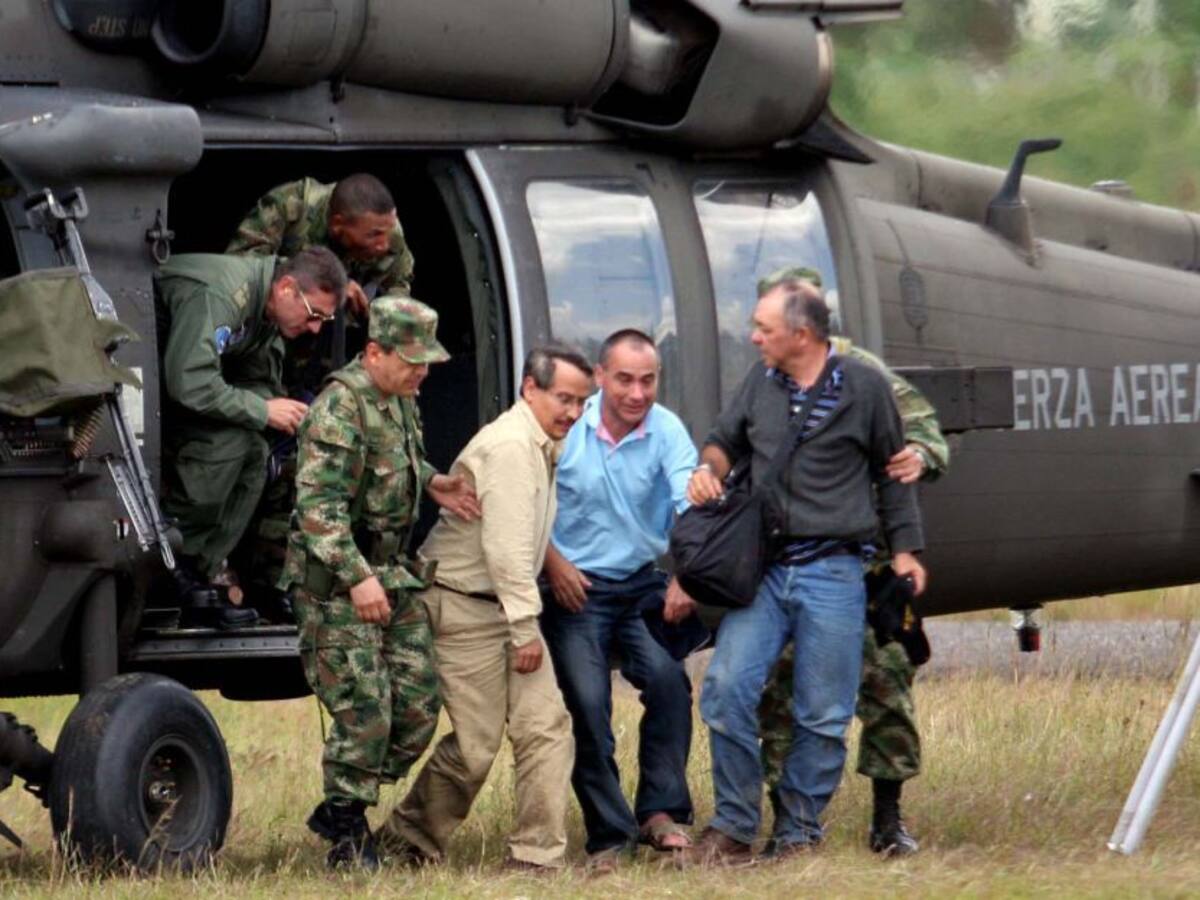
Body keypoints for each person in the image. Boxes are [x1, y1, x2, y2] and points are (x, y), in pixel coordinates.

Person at [672, 278, 926, 865]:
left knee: (824, 712)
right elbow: (722, 441)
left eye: (764, 328)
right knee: (726, 689)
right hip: (764, 569)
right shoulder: (759, 382)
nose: (754, 337)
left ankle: (798, 834)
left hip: (835, 571)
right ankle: (734, 828)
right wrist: (708, 470)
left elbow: (893, 473)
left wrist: (907, 551)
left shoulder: (865, 387)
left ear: (802, 334)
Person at [753, 268, 950, 860]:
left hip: (870, 568)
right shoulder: (765, 379)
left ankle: (888, 819)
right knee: (781, 694)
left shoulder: (865, 374)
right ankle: (789, 822)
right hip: (792, 564)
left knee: (886, 688)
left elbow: (928, 438)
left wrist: (918, 457)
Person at [280, 296, 480, 870]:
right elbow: (318, 510)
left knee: (417, 706)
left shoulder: (398, 400)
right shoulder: (339, 408)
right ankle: (347, 831)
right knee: (365, 708)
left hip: (391, 573)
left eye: (427, 363)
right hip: (337, 581)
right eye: (412, 361)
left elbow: (394, 461)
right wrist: (357, 578)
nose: (422, 374)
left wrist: (432, 481)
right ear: (374, 352)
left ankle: (342, 801)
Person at [378, 345, 592, 872]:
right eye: (564, 398)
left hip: (504, 606)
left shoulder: (543, 440)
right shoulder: (512, 446)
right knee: (475, 748)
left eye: (582, 402)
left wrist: (519, 621)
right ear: (530, 389)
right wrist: (524, 629)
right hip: (465, 607)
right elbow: (505, 551)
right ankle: (405, 842)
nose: (573, 412)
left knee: (547, 727)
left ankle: (536, 857)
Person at [539, 329, 699, 871]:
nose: (637, 393)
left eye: (648, 380)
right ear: (600, 377)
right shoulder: (567, 426)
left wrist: (686, 575)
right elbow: (525, 500)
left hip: (638, 583)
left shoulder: (667, 429)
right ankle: (609, 836)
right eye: (625, 379)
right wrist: (553, 562)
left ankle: (661, 812)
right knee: (587, 702)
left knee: (669, 681)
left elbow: (691, 507)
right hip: (574, 585)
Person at [228, 174, 417, 611]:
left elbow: (400, 313)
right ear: (337, 225)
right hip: (262, 353)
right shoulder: (289, 208)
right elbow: (242, 270)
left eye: (386, 233)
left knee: (310, 468)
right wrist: (326, 282)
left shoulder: (389, 237)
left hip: (329, 364)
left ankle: (281, 582)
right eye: (371, 236)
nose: (382, 244)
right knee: (252, 458)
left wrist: (375, 319)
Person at [154, 247, 346, 628]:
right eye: (314, 315)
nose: (315, 329)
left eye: (324, 320)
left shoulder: (267, 312)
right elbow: (189, 381)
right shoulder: (224, 295)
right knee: (229, 445)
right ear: (287, 288)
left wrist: (283, 411)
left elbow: (255, 377)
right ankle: (170, 566)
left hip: (175, 393)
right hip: (150, 391)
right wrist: (262, 409)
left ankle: (198, 574)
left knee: (258, 452)